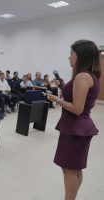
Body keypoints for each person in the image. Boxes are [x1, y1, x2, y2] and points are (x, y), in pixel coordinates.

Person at [47, 40, 101, 200]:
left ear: (81, 57)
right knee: (75, 169)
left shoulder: (82, 77)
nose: (68, 57)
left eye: (72, 54)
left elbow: (77, 109)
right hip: (78, 128)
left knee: (69, 170)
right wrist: (64, 87)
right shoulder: (89, 75)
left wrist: (56, 99)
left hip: (75, 128)